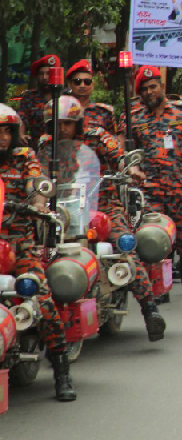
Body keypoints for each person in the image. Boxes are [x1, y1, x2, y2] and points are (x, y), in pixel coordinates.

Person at [40, 96, 164, 341]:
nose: (62, 128)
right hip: (62, 210)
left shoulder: (96, 136)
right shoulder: (46, 145)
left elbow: (118, 156)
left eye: (67, 123)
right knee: (38, 252)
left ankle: (150, 309)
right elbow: (36, 172)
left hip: (101, 206)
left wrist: (130, 169)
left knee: (125, 247)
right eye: (57, 123)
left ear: (78, 122)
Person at [0, 104, 75, 400]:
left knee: (42, 299)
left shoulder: (24, 157)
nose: (3, 137)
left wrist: (40, 197)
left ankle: (62, 372)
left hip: (20, 245)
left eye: (8, 131)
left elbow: (36, 180)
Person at [121, 66, 182, 297]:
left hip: (180, 185)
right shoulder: (134, 118)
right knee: (155, 235)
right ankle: (161, 281)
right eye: (144, 89)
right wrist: (132, 168)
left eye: (153, 86)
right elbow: (125, 151)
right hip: (151, 187)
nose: (149, 92)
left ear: (162, 87)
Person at [18, 54, 61, 147]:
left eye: (48, 73)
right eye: (41, 74)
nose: (45, 77)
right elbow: (22, 118)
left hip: (61, 148)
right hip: (37, 148)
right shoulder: (29, 97)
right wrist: (21, 135)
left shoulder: (64, 97)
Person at [66, 60, 116, 133]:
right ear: (70, 84)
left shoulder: (105, 112)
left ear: (92, 85)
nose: (82, 85)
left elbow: (112, 141)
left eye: (87, 82)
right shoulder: (62, 110)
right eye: (77, 81)